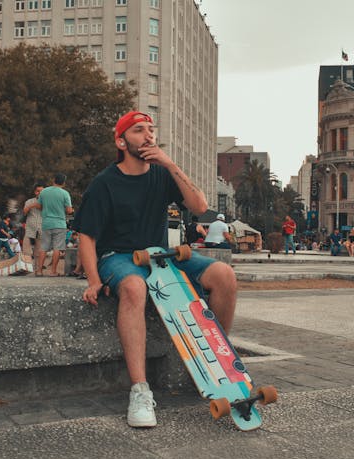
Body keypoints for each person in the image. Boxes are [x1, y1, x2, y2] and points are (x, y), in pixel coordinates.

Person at [74, 110, 236, 428]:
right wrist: (93, 280)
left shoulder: (162, 174)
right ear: (121, 141)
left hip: (161, 254)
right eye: (138, 130)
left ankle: (217, 365)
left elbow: (201, 209)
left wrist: (170, 164)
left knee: (224, 275)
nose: (148, 135)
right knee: (135, 287)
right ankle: (140, 391)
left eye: (151, 129)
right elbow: (86, 237)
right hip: (117, 257)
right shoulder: (104, 183)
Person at [35, 173, 73, 277]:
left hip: (46, 222)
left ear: (54, 180)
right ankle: (53, 272)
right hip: (60, 223)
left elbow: (38, 206)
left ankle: (39, 271)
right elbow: (69, 210)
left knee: (43, 247)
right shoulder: (65, 193)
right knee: (57, 247)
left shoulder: (44, 192)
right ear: (64, 183)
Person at [23, 183, 45, 275]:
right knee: (26, 249)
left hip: (42, 228)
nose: (39, 193)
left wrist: (39, 204)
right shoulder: (29, 201)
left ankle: (38, 270)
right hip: (30, 228)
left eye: (42, 191)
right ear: (34, 192)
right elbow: (24, 213)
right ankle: (26, 269)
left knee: (39, 251)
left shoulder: (48, 202)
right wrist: (31, 206)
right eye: (38, 191)